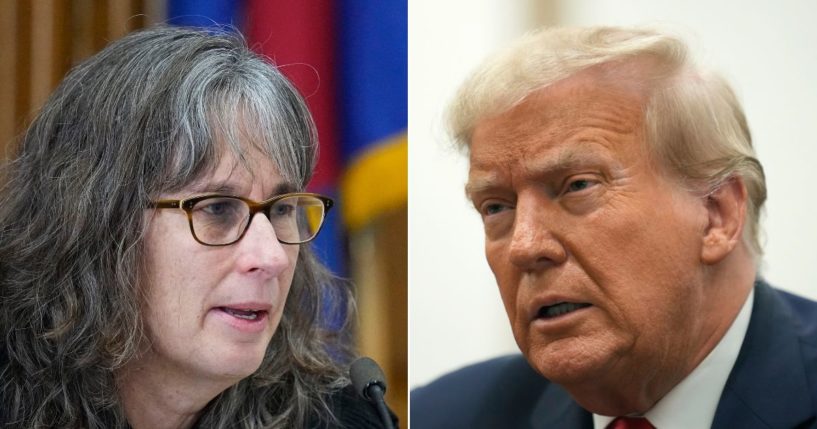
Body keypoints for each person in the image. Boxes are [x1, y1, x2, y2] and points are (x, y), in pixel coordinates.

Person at [411, 26, 817, 428]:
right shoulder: (439, 416)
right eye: (497, 207)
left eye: (578, 186)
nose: (525, 245)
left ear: (717, 214)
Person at [0, 25, 395, 428]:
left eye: (280, 210)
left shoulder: (347, 418)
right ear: (96, 221)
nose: (272, 257)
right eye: (218, 209)